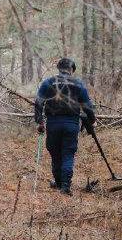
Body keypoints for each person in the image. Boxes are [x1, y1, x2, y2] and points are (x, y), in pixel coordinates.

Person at [34, 57, 96, 196]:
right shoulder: (78, 84)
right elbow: (87, 105)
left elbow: (38, 103)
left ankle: (59, 182)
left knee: (55, 153)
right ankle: (65, 186)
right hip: (71, 124)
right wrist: (92, 120)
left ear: (59, 68)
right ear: (71, 69)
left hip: (53, 123)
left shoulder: (48, 82)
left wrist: (39, 122)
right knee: (68, 153)